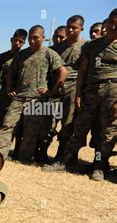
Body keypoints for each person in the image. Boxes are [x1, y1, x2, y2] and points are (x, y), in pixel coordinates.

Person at [44, 9, 117, 181]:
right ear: (107, 22)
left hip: (113, 92)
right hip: (90, 91)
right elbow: (82, 71)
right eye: (111, 22)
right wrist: (78, 94)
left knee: (107, 132)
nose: (114, 26)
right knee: (79, 128)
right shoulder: (92, 46)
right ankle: (64, 161)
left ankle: (98, 166)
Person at [0, 25, 67, 163]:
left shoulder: (49, 54)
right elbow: (10, 73)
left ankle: (24, 158)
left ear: (43, 38)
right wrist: (9, 89)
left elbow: (63, 72)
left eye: (36, 38)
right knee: (7, 125)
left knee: (31, 131)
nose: (32, 41)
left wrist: (52, 91)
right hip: (19, 97)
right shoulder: (22, 54)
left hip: (37, 99)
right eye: (30, 38)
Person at [46, 15, 87, 162]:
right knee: (49, 120)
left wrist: (80, 92)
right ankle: (42, 152)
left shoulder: (86, 47)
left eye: (74, 27)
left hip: (73, 86)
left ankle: (63, 156)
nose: (70, 29)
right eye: (68, 26)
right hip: (56, 86)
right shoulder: (57, 47)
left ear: (81, 29)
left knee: (68, 122)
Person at [0, 29, 27, 148]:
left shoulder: (25, 57)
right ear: (11, 40)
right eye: (15, 40)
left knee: (18, 123)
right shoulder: (2, 57)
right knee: (0, 119)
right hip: (3, 93)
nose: (17, 43)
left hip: (19, 93)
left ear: (24, 43)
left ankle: (16, 149)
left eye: (21, 41)